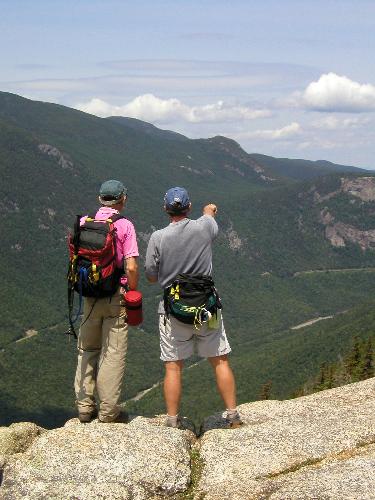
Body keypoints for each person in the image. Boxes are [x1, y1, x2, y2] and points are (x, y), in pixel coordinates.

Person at [145, 186, 242, 429]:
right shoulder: (204, 227)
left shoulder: (158, 237)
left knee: (173, 366)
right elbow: (209, 215)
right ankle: (232, 416)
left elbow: (151, 276)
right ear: (188, 207)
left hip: (175, 311)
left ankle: (172, 421)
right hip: (206, 308)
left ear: (166, 209)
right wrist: (209, 210)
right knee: (220, 360)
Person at [74, 179, 139, 423]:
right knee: (112, 353)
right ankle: (108, 412)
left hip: (89, 295)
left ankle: (84, 407)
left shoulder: (84, 222)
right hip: (115, 296)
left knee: (87, 349)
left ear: (100, 199)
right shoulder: (124, 225)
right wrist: (131, 291)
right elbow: (131, 266)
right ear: (122, 199)